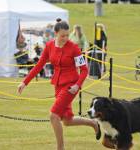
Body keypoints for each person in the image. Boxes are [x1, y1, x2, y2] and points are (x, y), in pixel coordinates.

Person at [17, 21, 101, 150]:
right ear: (55, 34)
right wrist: (24, 82)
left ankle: (60, 148)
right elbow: (39, 65)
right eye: (62, 35)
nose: (66, 38)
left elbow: (84, 70)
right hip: (57, 85)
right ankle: (93, 123)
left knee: (53, 115)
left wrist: (77, 86)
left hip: (71, 86)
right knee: (67, 121)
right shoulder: (49, 46)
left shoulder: (74, 48)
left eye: (67, 35)